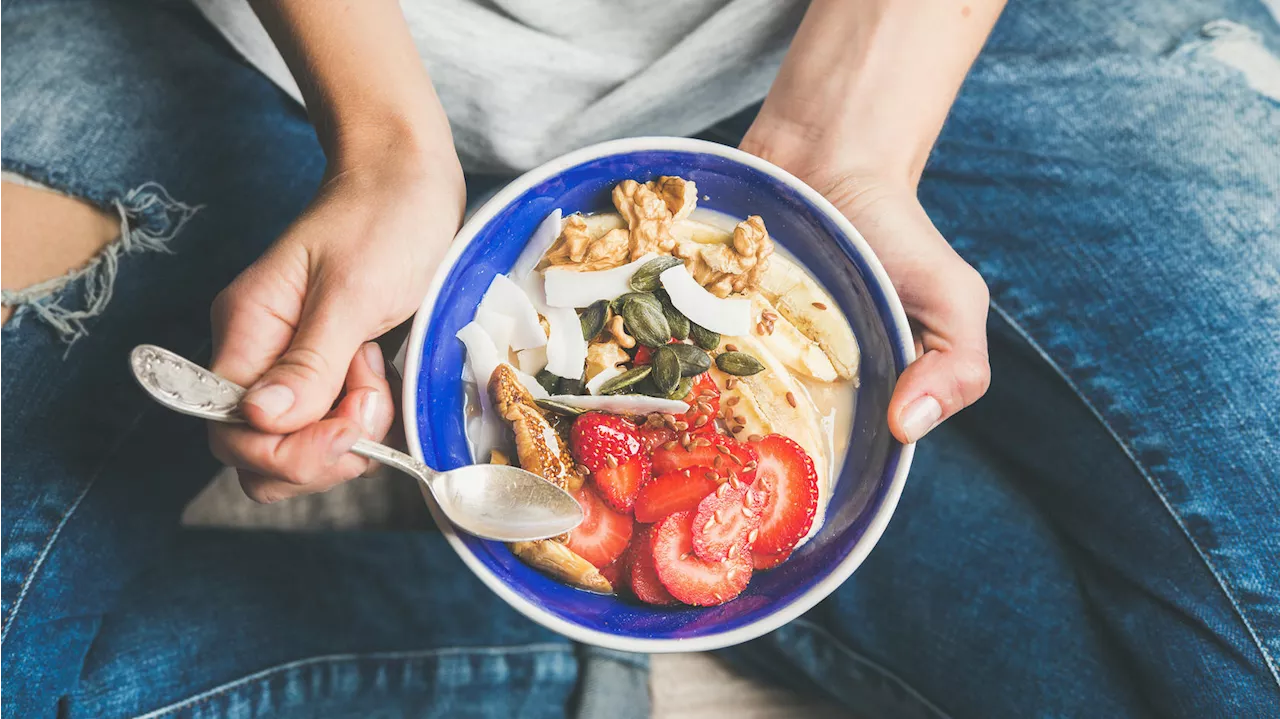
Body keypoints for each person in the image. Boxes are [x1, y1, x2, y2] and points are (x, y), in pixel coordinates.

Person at [1, 0, 1277, 716]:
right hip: (262, 47)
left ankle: (814, 550)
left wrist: (854, 127)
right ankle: (575, 659)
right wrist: (384, 134)